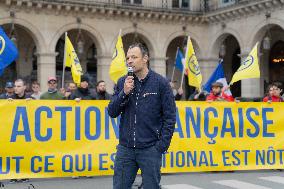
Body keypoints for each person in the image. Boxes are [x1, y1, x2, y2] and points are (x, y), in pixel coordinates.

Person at [108, 43, 176, 189]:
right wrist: (124, 93)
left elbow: (170, 118)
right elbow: (112, 112)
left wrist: (160, 147)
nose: (129, 61)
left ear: (145, 58)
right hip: (125, 149)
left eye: (134, 57)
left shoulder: (160, 83)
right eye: (127, 58)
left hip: (150, 149)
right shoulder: (122, 82)